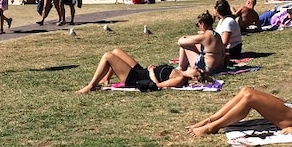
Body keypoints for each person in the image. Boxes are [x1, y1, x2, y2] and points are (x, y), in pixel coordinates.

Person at [77, 48, 206, 94]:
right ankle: (106, 78)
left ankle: (91, 86)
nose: (196, 68)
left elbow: (158, 86)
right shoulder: (180, 71)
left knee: (108, 56)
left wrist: (151, 73)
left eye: (197, 71)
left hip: (136, 78)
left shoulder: (180, 79)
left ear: (194, 78)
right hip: (141, 71)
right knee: (116, 51)